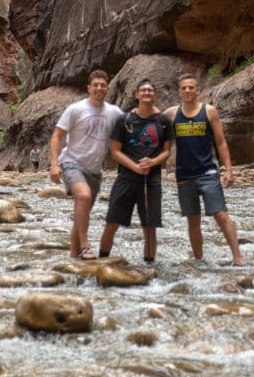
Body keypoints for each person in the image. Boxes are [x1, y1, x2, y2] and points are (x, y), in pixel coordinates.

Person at [164, 74, 244, 266]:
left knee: (221, 214)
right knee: (193, 220)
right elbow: (152, 120)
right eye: (184, 88)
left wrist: (228, 170)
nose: (187, 91)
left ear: (198, 90)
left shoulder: (209, 112)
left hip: (207, 172)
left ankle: (238, 258)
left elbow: (221, 142)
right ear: (179, 91)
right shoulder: (172, 114)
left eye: (191, 87)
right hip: (184, 174)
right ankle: (199, 260)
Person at [49, 69, 123, 260]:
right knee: (83, 196)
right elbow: (57, 136)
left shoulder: (114, 113)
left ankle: (74, 260)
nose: (99, 88)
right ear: (89, 88)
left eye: (102, 85)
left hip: (95, 171)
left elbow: (131, 127)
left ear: (107, 88)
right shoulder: (76, 109)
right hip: (71, 162)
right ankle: (85, 245)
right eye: (95, 85)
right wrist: (54, 164)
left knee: (82, 215)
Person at [99, 79, 172, 262]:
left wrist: (153, 161)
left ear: (154, 95)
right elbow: (115, 151)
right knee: (112, 222)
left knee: (150, 226)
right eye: (143, 90)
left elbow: (167, 151)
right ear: (136, 95)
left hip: (152, 180)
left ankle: (149, 267)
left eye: (150, 90)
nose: (147, 93)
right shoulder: (124, 121)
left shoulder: (163, 121)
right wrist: (135, 167)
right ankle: (101, 261)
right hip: (126, 178)